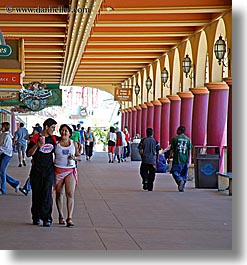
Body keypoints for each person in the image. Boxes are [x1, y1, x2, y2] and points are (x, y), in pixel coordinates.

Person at [26, 118, 57, 227]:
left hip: (48, 171)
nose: (54, 130)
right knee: (37, 194)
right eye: (52, 127)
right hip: (36, 171)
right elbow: (29, 154)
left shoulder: (53, 138)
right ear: (46, 127)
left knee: (47, 194)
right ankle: (36, 216)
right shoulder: (35, 138)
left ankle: (47, 218)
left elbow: (64, 142)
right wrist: (37, 145)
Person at [54, 124, 81, 227]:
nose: (64, 132)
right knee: (59, 193)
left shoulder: (74, 144)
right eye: (62, 130)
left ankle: (69, 217)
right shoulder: (56, 143)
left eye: (66, 131)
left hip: (70, 170)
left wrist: (74, 158)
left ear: (70, 133)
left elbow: (79, 157)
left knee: (70, 193)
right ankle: (61, 216)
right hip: (58, 170)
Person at [19, 125, 43, 196]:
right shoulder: (32, 137)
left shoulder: (39, 138)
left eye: (34, 130)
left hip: (38, 160)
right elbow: (25, 137)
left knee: (34, 175)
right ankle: (26, 188)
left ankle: (26, 188)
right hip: (34, 158)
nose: (33, 131)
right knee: (33, 175)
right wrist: (31, 134)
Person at [168, 125, 193, 192]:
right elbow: (189, 150)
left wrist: (169, 157)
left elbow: (172, 149)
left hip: (177, 159)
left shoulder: (175, 139)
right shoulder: (188, 140)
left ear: (179, 131)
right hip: (185, 159)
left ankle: (179, 180)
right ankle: (182, 187)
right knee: (184, 173)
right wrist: (189, 159)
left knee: (174, 171)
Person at [0, 122, 21, 195]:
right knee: (1, 172)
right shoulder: (2, 134)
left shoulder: (7, 136)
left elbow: (6, 147)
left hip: (7, 155)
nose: (1, 127)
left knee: (1, 171)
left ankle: (3, 190)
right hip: (3, 154)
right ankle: (15, 183)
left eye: (2, 126)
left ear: (5, 127)